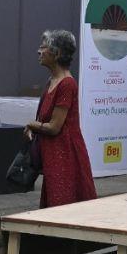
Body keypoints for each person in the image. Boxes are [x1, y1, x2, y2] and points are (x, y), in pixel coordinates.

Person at [25, 30, 97, 208]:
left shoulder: (66, 84)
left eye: (44, 47)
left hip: (66, 155)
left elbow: (54, 127)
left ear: (56, 54)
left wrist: (32, 125)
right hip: (54, 153)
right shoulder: (52, 81)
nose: (39, 51)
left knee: (63, 206)